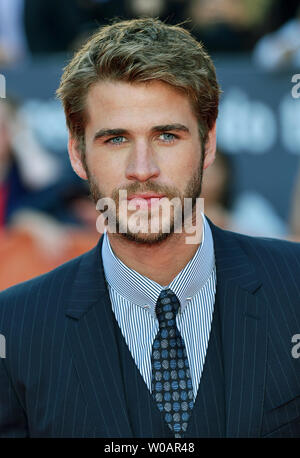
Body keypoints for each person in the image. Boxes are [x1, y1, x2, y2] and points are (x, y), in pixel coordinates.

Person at [0, 18, 299, 438]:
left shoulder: (295, 288)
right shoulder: (14, 329)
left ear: (208, 142)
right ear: (77, 152)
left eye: (167, 136)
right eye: (116, 139)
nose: (143, 170)